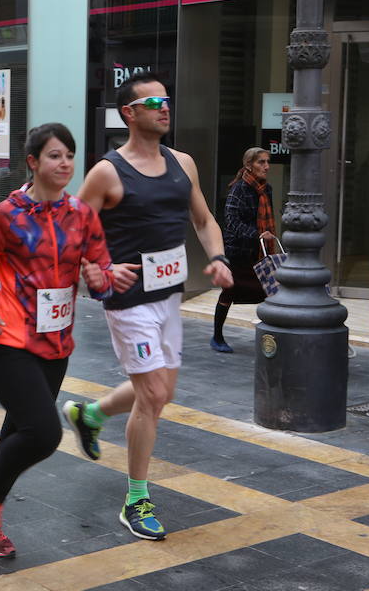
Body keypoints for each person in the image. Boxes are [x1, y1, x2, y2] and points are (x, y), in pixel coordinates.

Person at [65, 72, 233, 541]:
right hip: (128, 302)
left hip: (168, 297)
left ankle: (90, 414)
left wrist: (217, 258)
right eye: (153, 101)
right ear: (129, 113)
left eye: (167, 100)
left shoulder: (183, 164)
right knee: (154, 395)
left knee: (160, 394)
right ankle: (136, 498)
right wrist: (100, 267)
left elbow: (204, 221)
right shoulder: (107, 172)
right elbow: (72, 234)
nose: (165, 107)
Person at [0, 123, 115, 558]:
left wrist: (100, 279)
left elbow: (101, 278)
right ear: (33, 162)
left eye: (69, 156)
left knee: (17, 431)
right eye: (55, 156)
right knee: (43, 433)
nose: (64, 164)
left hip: (56, 346)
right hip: (7, 340)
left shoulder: (82, 215)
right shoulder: (5, 216)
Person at [211, 147, 276, 353]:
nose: (266, 166)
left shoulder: (267, 189)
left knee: (270, 292)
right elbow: (231, 222)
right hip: (239, 252)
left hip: (260, 252)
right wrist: (257, 234)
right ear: (249, 165)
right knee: (229, 292)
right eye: (261, 162)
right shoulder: (239, 189)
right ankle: (217, 337)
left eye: (267, 161)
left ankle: (271, 337)